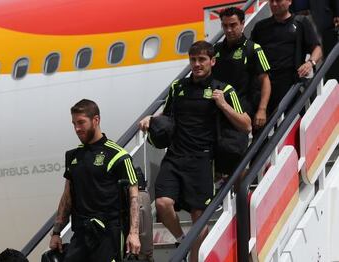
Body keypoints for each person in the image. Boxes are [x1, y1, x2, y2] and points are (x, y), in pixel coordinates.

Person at [139, 41, 251, 262]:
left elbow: (246, 124)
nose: (197, 64)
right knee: (162, 203)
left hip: (202, 160)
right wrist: (151, 119)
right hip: (175, 156)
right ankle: (182, 240)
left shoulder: (224, 89)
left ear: (212, 61)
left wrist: (223, 105)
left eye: (202, 59)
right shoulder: (178, 87)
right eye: (193, 60)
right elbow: (167, 117)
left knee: (199, 220)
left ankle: (192, 256)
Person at [49, 99, 141, 261]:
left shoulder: (119, 155)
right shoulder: (73, 156)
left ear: (96, 120)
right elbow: (67, 197)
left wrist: (133, 234)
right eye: (74, 124)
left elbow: (134, 197)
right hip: (81, 234)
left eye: (81, 123)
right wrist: (56, 232)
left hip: (109, 235)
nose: (77, 129)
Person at [251, 0, 323, 114]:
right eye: (271, 1)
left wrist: (310, 63)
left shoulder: (301, 22)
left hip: (291, 85)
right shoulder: (260, 27)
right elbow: (251, 53)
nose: (274, 4)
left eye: (278, 0)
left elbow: (317, 48)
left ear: (289, 1)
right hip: (264, 86)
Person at [214, 7, 271, 133]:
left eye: (233, 25)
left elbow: (265, 80)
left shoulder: (253, 49)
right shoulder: (215, 50)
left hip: (244, 111)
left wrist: (262, 109)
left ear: (242, 24)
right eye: (225, 25)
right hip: (219, 111)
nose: (229, 30)